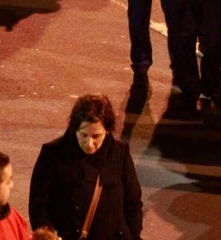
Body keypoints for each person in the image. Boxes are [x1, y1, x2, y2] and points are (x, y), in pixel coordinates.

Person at [29, 95, 143, 240]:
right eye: (83, 135)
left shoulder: (120, 154)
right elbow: (38, 205)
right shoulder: (52, 153)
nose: (89, 143)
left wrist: (133, 235)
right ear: (74, 129)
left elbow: (133, 201)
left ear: (107, 131)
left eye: (96, 136)